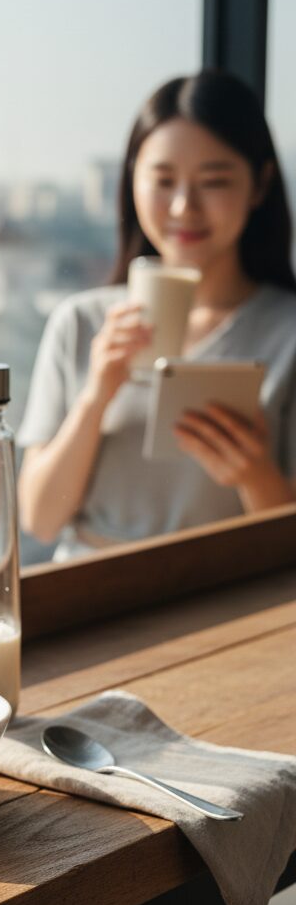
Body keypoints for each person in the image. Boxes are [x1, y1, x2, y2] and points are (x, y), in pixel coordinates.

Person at [18, 70, 296, 559]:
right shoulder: (81, 322)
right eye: (163, 181)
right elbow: (40, 518)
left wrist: (254, 474)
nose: (185, 206)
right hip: (86, 594)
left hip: (224, 600)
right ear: (132, 182)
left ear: (260, 185)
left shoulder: (286, 334)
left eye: (214, 181)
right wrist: (96, 396)